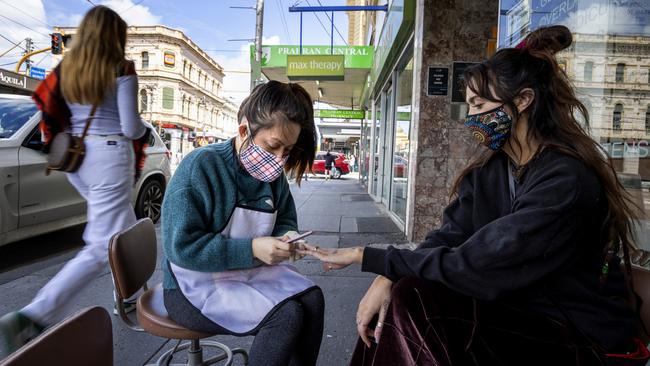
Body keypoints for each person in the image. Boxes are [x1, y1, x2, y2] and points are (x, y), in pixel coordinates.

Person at [300, 26, 650, 365]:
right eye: (470, 106)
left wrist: (371, 256)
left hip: (575, 334)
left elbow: (478, 263)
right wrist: (389, 276)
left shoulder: (565, 179)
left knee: (416, 303)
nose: (472, 118)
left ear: (524, 100)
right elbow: (448, 237)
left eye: (480, 104)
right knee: (406, 293)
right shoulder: (491, 171)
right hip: (517, 315)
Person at [0, 5, 150, 358]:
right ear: (116, 35)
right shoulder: (121, 68)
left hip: (79, 160)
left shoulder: (67, 69)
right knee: (101, 246)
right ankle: (33, 316)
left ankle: (130, 298)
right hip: (111, 155)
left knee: (123, 227)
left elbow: (51, 112)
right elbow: (130, 128)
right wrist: (143, 128)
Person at [161, 81, 324, 366]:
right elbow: (182, 248)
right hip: (191, 283)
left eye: (287, 150)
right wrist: (251, 250)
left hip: (247, 273)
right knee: (286, 316)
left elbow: (284, 218)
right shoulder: (200, 167)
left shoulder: (272, 175)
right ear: (244, 130)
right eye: (273, 146)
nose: (278, 160)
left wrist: (289, 238)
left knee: (312, 300)